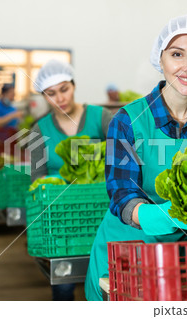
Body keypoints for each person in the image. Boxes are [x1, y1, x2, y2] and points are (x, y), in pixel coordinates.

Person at [84, 15, 187, 301]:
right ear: (161, 59)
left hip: (181, 256)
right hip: (123, 254)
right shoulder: (128, 120)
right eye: (177, 54)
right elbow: (123, 195)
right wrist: (171, 216)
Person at [29, 59, 113, 300]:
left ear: (74, 86)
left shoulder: (101, 117)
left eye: (64, 89)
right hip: (63, 221)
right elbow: (38, 180)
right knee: (64, 286)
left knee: (108, 282)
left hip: (103, 214)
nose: (60, 98)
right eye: (51, 94)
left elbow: (125, 160)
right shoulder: (38, 130)